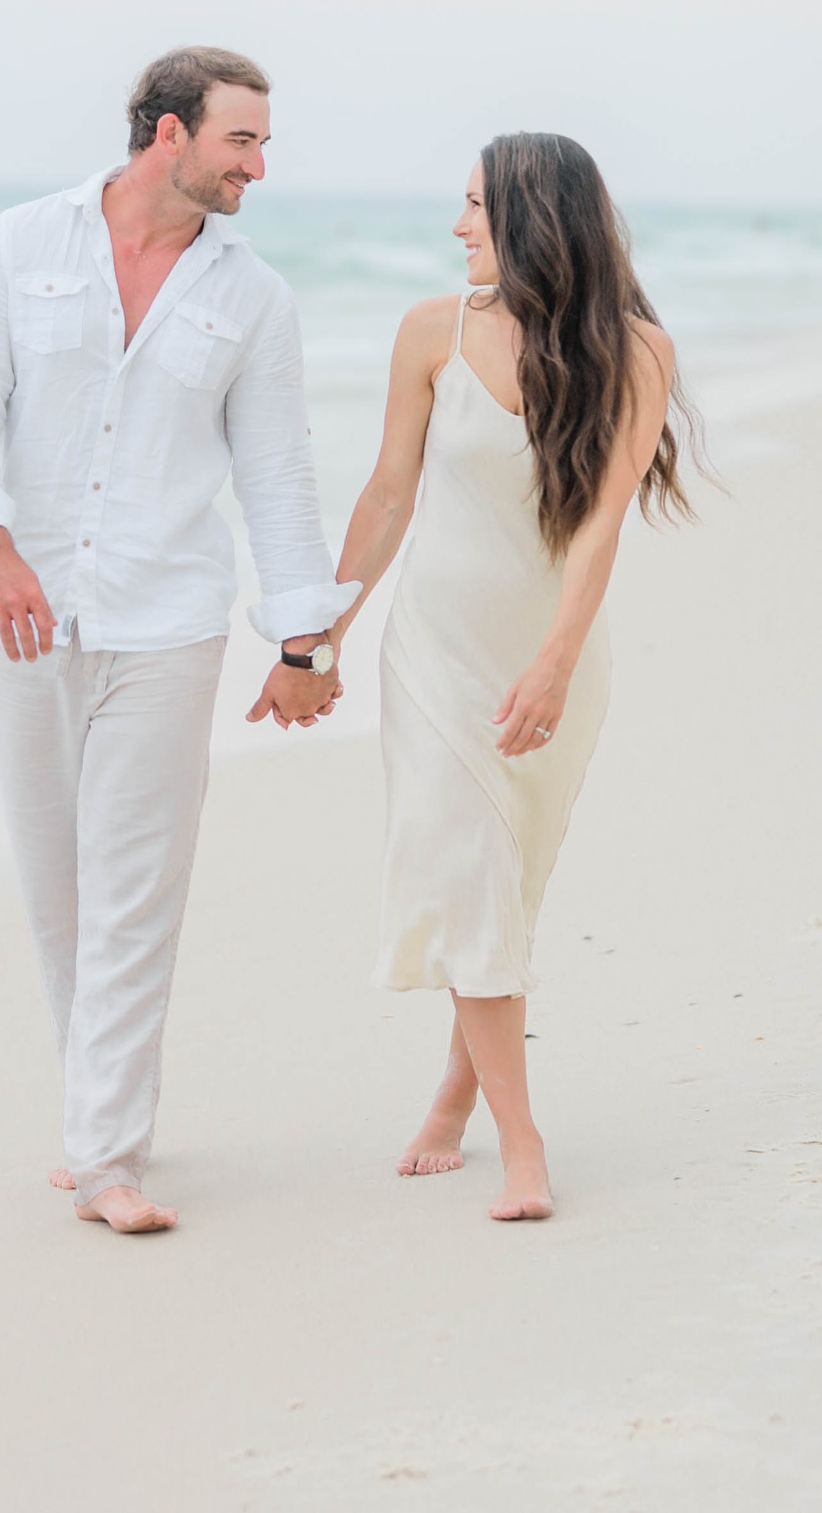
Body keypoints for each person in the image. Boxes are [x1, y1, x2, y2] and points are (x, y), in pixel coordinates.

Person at [0, 47, 359, 1233]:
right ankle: (96, 1117)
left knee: (134, 894)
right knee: (58, 890)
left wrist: (302, 638)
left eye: (262, 144)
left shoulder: (253, 296)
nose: (258, 167)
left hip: (167, 621)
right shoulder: (20, 246)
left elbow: (276, 469)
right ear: (169, 133)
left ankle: (109, 1159)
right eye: (241, 142)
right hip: (25, 616)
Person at [326, 133, 696, 1221]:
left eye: (477, 206)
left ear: (537, 215)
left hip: (553, 660)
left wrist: (553, 662)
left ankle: (454, 1093)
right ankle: (523, 1140)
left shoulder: (635, 351)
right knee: (467, 873)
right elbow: (388, 495)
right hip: (435, 657)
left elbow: (598, 529)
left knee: (505, 887)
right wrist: (321, 639)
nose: (459, 227)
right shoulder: (431, 332)